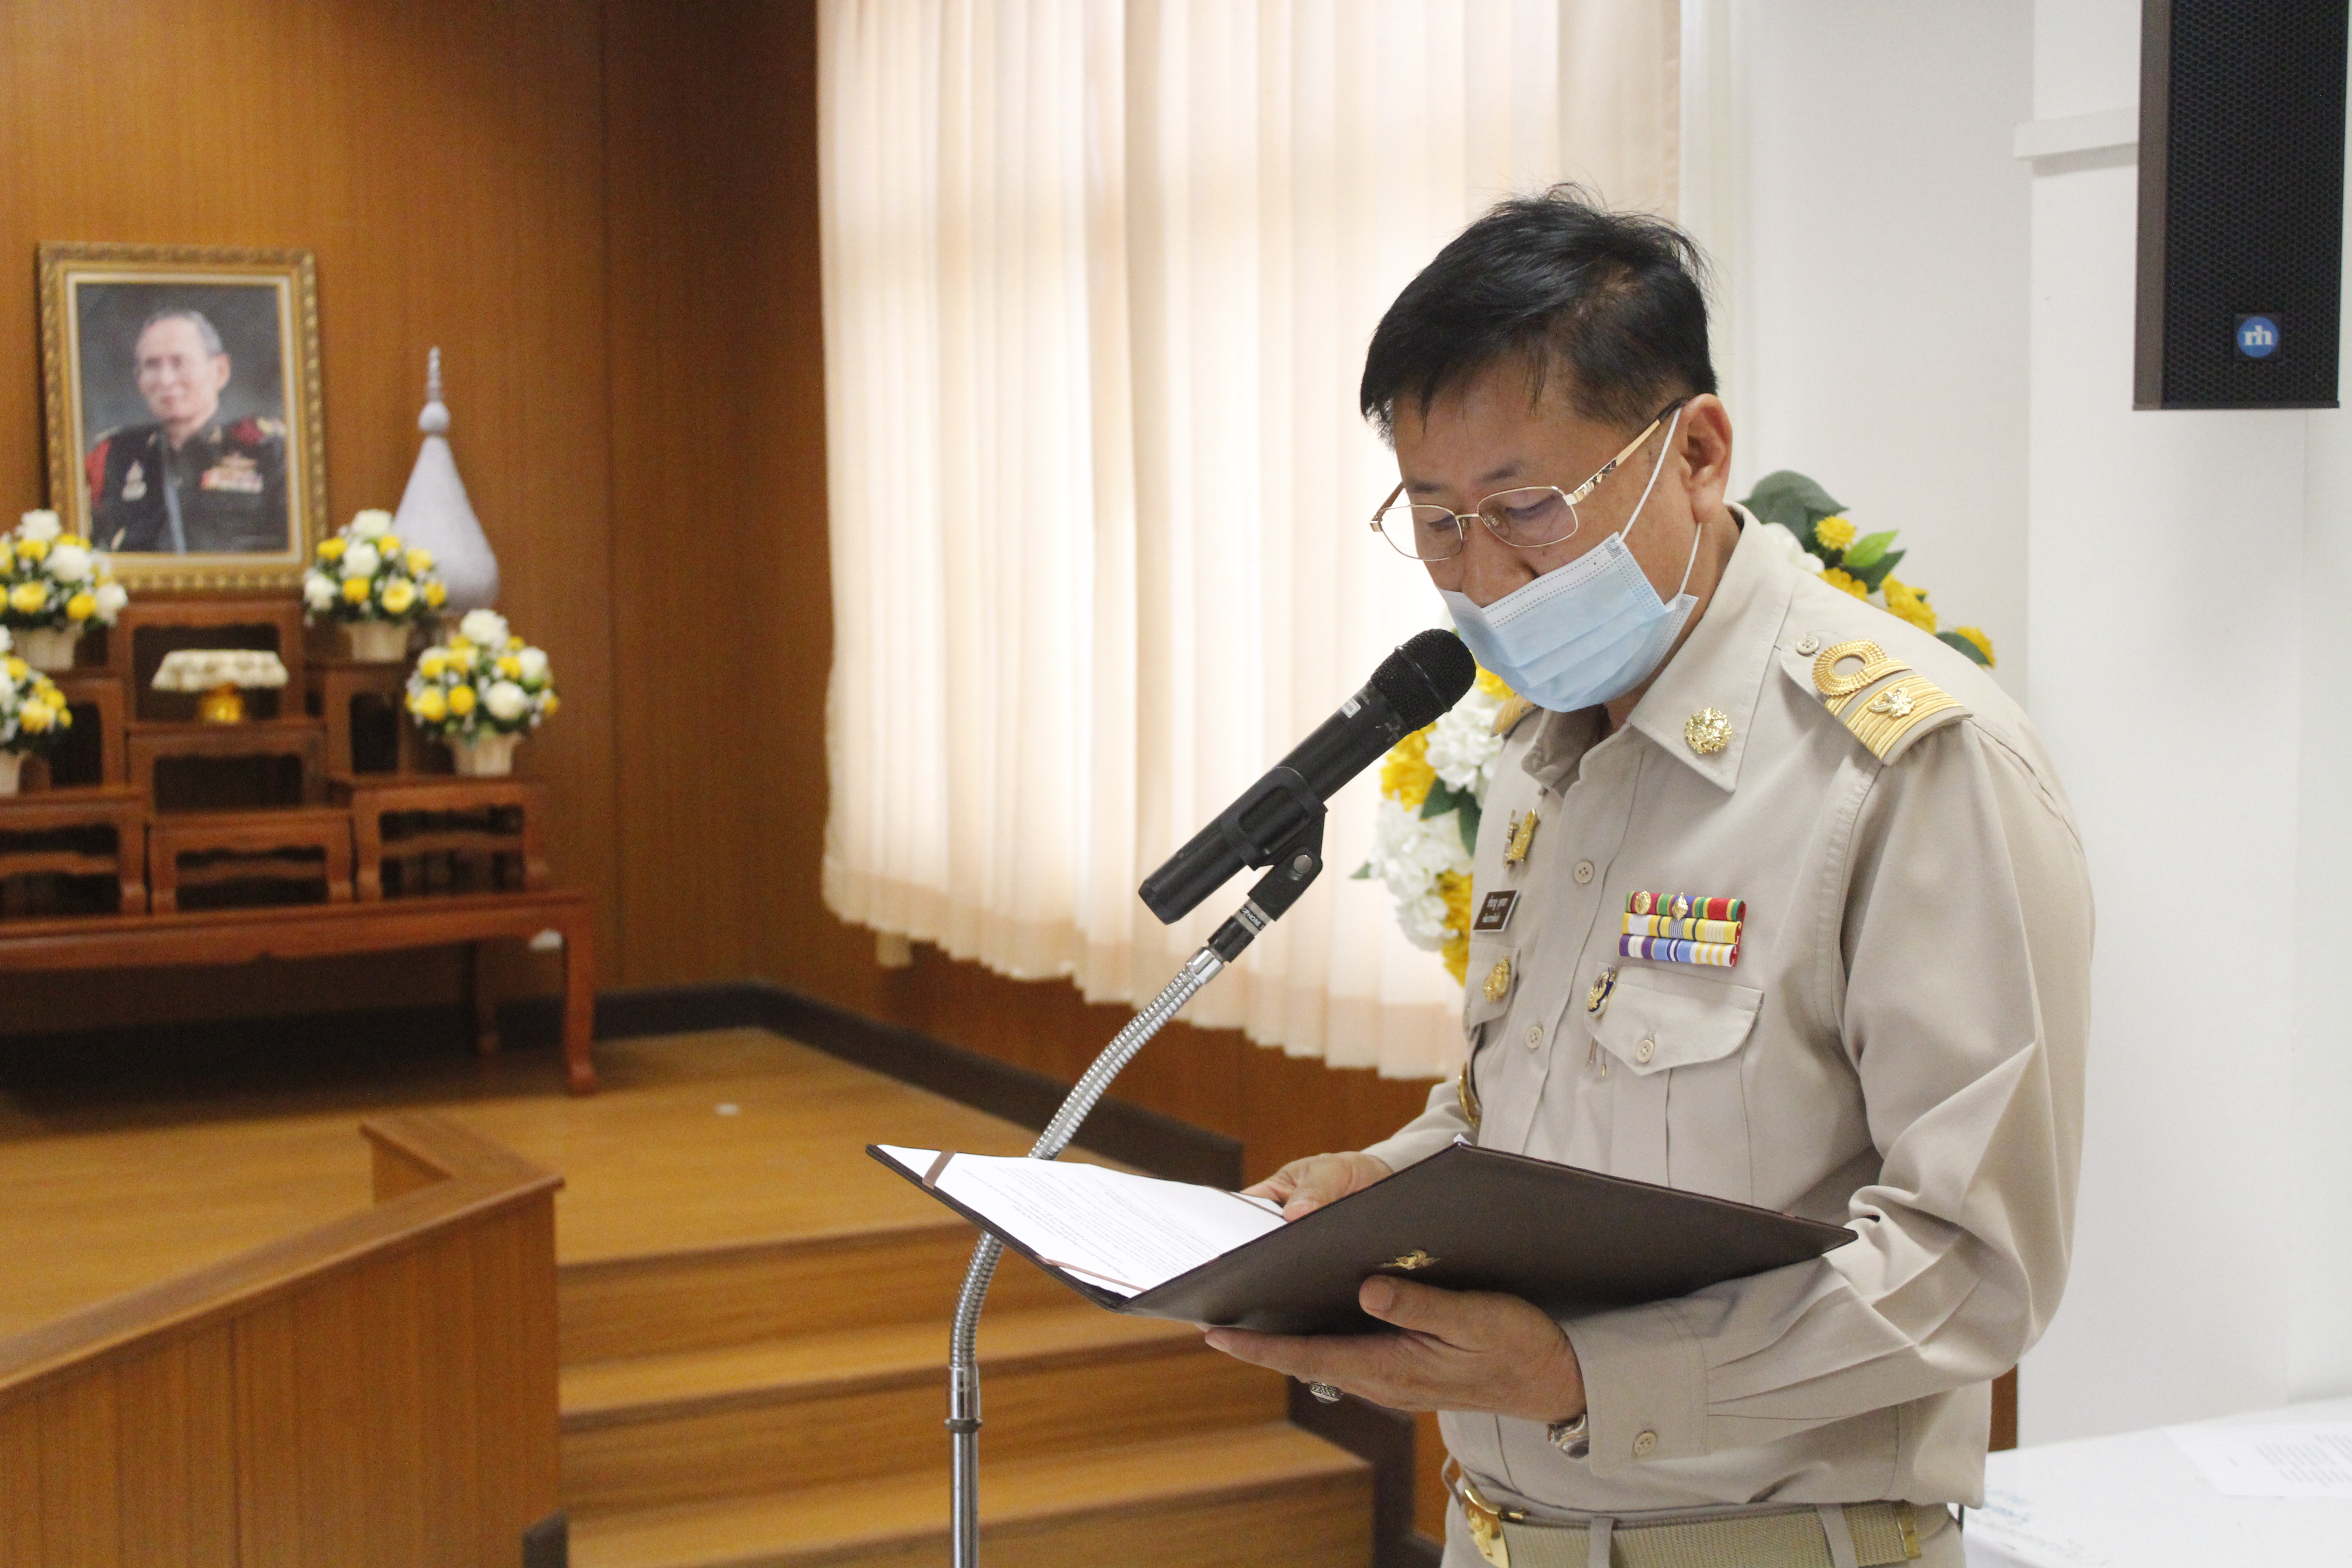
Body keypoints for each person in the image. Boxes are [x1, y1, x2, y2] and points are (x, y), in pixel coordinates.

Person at [1201, 189, 2091, 1568]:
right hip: (1502, 1535)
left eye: (1527, 510)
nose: (1484, 578)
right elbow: (1532, 1105)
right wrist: (1370, 1188)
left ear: (1698, 454)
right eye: (1436, 521)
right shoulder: (1544, 747)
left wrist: (1583, 1378)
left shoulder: (1906, 766)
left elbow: (1975, 1269)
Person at [84, 307, 288, 554]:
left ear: (220, 371)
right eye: (152, 366)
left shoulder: (269, 450)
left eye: (179, 363)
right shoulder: (113, 456)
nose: (166, 380)